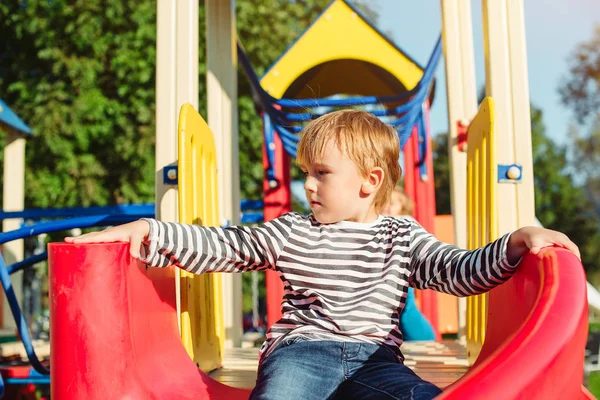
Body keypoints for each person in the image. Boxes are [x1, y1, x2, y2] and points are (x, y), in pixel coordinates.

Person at [66, 110, 580, 400]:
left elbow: (457, 271)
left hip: (377, 359)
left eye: (321, 173)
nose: (307, 185)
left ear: (369, 182)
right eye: (305, 172)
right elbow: (225, 245)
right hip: (301, 353)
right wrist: (149, 230)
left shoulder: (401, 234)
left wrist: (516, 241)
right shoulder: (293, 230)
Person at [382, 186, 436, 342]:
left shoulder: (404, 221)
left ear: (403, 207)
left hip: (401, 274)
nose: (387, 206)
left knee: (405, 309)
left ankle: (424, 337)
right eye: (384, 202)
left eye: (392, 203)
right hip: (389, 273)